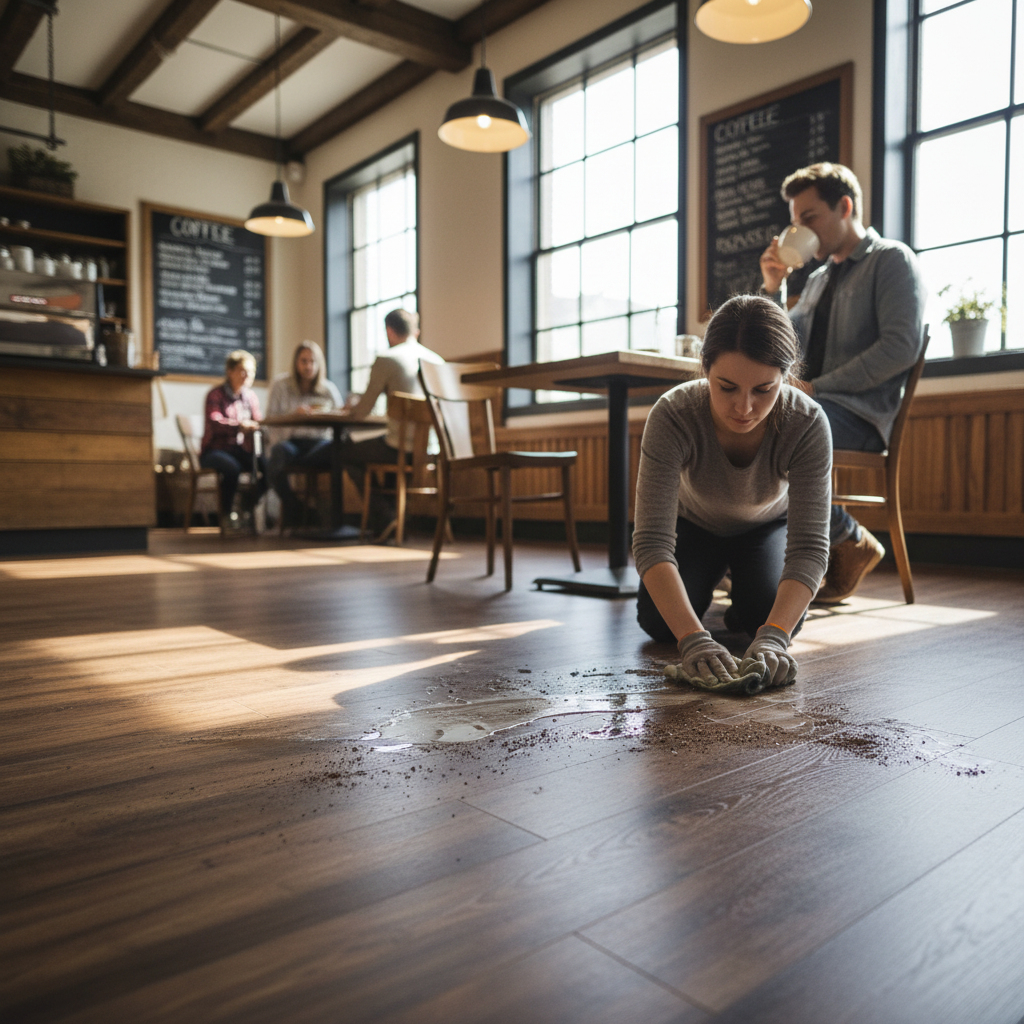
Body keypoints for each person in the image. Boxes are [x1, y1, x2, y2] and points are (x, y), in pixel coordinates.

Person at [633, 295, 831, 693]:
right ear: (705, 368)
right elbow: (652, 542)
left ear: (785, 375)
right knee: (658, 624)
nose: (744, 407)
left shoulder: (807, 422)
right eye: (726, 387)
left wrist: (774, 634)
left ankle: (744, 591)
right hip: (695, 526)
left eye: (764, 389)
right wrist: (693, 637)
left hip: (765, 526)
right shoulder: (673, 414)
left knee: (767, 617)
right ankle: (724, 583)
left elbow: (810, 547)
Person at [760, 162, 926, 603]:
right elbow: (782, 344)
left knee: (777, 427)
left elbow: (900, 347)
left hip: (862, 417)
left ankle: (847, 538)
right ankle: (755, 557)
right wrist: (774, 286)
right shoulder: (817, 280)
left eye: (809, 217)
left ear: (845, 207)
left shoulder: (891, 260)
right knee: (747, 418)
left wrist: (819, 389)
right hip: (818, 409)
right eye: (795, 221)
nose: (800, 229)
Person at [334, 308, 444, 535]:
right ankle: (392, 518)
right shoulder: (437, 361)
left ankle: (385, 514)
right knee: (388, 447)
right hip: (434, 448)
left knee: (344, 452)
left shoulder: (387, 359)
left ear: (389, 331)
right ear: (415, 331)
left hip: (401, 447)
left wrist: (348, 410)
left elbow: (363, 410)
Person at [265, 341, 342, 528]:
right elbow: (270, 419)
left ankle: (334, 520)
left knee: (340, 452)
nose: (308, 366)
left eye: (312, 361)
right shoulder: (280, 385)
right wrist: (293, 415)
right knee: (275, 456)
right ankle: (295, 507)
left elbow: (340, 417)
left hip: (319, 444)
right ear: (296, 362)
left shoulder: (328, 389)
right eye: (304, 361)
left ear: (319, 364)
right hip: (291, 441)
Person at [199, 349, 267, 529]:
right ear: (230, 371)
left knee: (268, 467)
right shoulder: (215, 394)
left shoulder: (250, 397)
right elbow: (215, 421)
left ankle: (247, 506)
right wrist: (239, 425)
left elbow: (259, 422)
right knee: (232, 468)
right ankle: (225, 514)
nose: (247, 376)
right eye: (242, 371)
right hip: (214, 451)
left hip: (240, 450)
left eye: (251, 372)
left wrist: (258, 428)